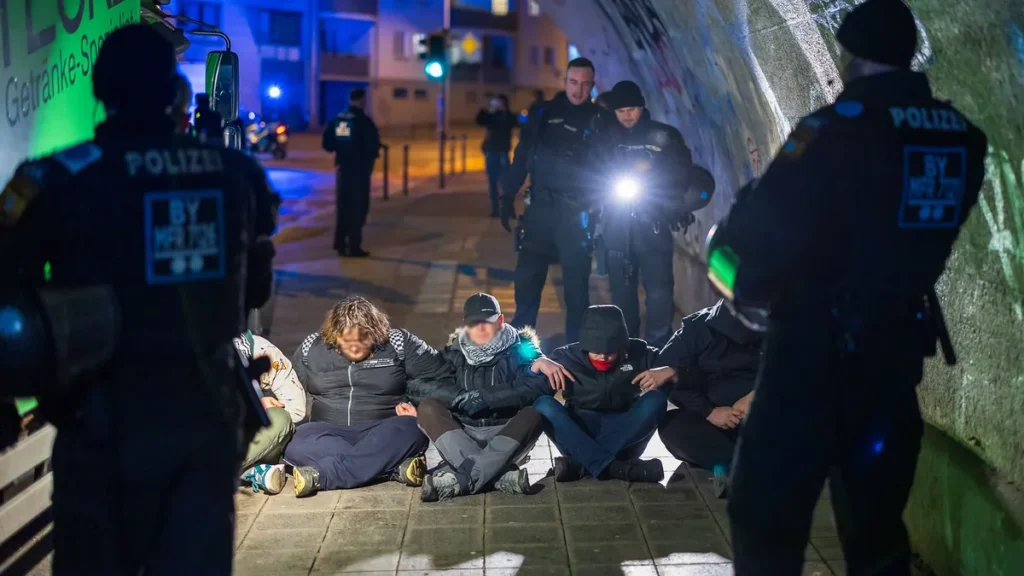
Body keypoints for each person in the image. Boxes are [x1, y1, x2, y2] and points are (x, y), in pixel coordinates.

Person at [704, 1, 988, 574]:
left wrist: (737, 273)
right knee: (877, 530)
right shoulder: (962, 139)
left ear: (850, 56)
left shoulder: (831, 133)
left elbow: (753, 252)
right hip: (892, 360)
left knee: (766, 516)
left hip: (808, 357)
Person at [0, 25, 279, 574]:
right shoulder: (235, 172)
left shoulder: (50, 180)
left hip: (98, 421)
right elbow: (257, 289)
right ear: (175, 94)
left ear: (101, 92)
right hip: (202, 415)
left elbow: (10, 297)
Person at [412, 293, 575, 501]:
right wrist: (458, 397)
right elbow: (420, 384)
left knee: (537, 410)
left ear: (500, 321)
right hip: (463, 435)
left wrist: (487, 398)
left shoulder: (521, 350)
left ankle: (461, 481)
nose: (480, 329)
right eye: (474, 323)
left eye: (487, 323)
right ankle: (499, 475)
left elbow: (538, 386)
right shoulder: (454, 352)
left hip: (506, 433)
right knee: (427, 407)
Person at [283, 296, 450, 497]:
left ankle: (322, 476)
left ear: (375, 333)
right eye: (347, 340)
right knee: (296, 442)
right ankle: (389, 469)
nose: (355, 347)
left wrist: (419, 407)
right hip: (327, 431)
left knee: (411, 429)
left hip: (385, 429)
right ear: (334, 335)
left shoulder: (398, 342)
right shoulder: (311, 347)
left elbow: (443, 376)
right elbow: (287, 387)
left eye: (363, 339)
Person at [500, 58, 603, 344]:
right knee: (528, 284)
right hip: (541, 211)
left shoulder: (599, 121)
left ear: (592, 86)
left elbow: (610, 167)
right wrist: (507, 194)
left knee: (576, 291)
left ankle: (575, 350)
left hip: (576, 214)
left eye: (585, 85)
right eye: (573, 82)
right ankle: (521, 351)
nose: (578, 91)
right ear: (565, 81)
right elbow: (522, 156)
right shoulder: (544, 113)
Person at [594, 81, 693, 348]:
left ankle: (658, 351)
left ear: (641, 107)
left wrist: (672, 202)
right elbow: (593, 171)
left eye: (632, 109)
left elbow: (681, 172)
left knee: (659, 291)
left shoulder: (663, 136)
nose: (627, 116)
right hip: (617, 224)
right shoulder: (606, 138)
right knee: (622, 294)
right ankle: (628, 351)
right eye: (621, 110)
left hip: (654, 223)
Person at [529, 305, 674, 482]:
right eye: (597, 352)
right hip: (579, 432)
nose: (603, 358)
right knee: (543, 405)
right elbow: (530, 390)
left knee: (656, 400)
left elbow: (679, 367)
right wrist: (537, 365)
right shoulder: (567, 357)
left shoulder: (639, 352)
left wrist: (672, 371)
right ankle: (617, 468)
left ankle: (583, 465)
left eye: (610, 352)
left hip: (624, 431)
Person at [655, 300, 762, 498]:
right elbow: (664, 374)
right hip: (711, 422)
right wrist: (710, 412)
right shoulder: (698, 327)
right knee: (671, 426)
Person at [233, 331, 308, 495]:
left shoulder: (262, 349)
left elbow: (297, 410)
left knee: (280, 418)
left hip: (250, 441)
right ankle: (251, 472)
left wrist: (261, 404)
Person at [322, 89, 381, 258]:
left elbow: (327, 144)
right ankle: (354, 246)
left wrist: (342, 149)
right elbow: (371, 146)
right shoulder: (364, 122)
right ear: (362, 100)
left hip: (343, 170)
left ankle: (340, 244)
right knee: (358, 209)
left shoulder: (338, 119)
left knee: (343, 208)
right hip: (359, 172)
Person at [476, 95, 520, 218]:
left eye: (499, 102)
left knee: (505, 182)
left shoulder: (508, 116)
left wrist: (504, 112)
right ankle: (494, 209)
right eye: (495, 103)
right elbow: (479, 120)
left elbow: (516, 122)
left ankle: (509, 209)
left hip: (503, 153)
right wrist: (487, 108)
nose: (496, 104)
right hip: (490, 152)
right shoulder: (490, 115)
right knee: (492, 181)